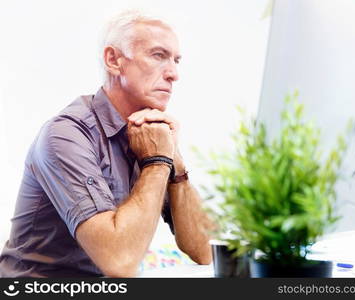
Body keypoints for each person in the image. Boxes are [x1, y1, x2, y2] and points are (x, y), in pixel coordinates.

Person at [0, 10, 213, 277]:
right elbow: (119, 262)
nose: (174, 74)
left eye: (176, 60)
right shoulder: (65, 134)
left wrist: (174, 160)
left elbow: (205, 251)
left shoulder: (151, 134)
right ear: (113, 60)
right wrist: (158, 163)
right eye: (159, 55)